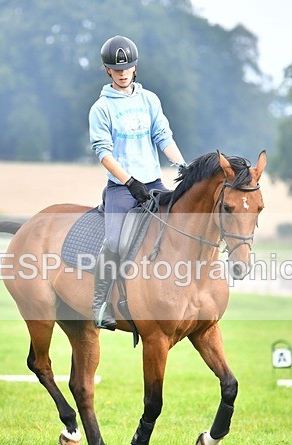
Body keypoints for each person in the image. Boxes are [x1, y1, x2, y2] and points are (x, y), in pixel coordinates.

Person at [88, 35, 186, 330]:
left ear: (134, 68)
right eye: (116, 69)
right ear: (107, 71)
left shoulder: (150, 100)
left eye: (126, 68)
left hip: (154, 181)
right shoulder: (101, 108)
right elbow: (103, 152)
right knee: (117, 242)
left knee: (179, 228)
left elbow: (163, 137)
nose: (122, 73)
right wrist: (128, 181)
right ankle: (100, 303)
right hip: (123, 187)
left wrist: (182, 165)